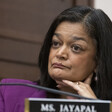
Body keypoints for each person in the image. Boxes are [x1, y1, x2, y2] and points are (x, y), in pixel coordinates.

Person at [0, 5, 112, 112]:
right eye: (56, 43)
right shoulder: (10, 93)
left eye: (76, 48)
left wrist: (96, 108)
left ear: (98, 61)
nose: (60, 53)